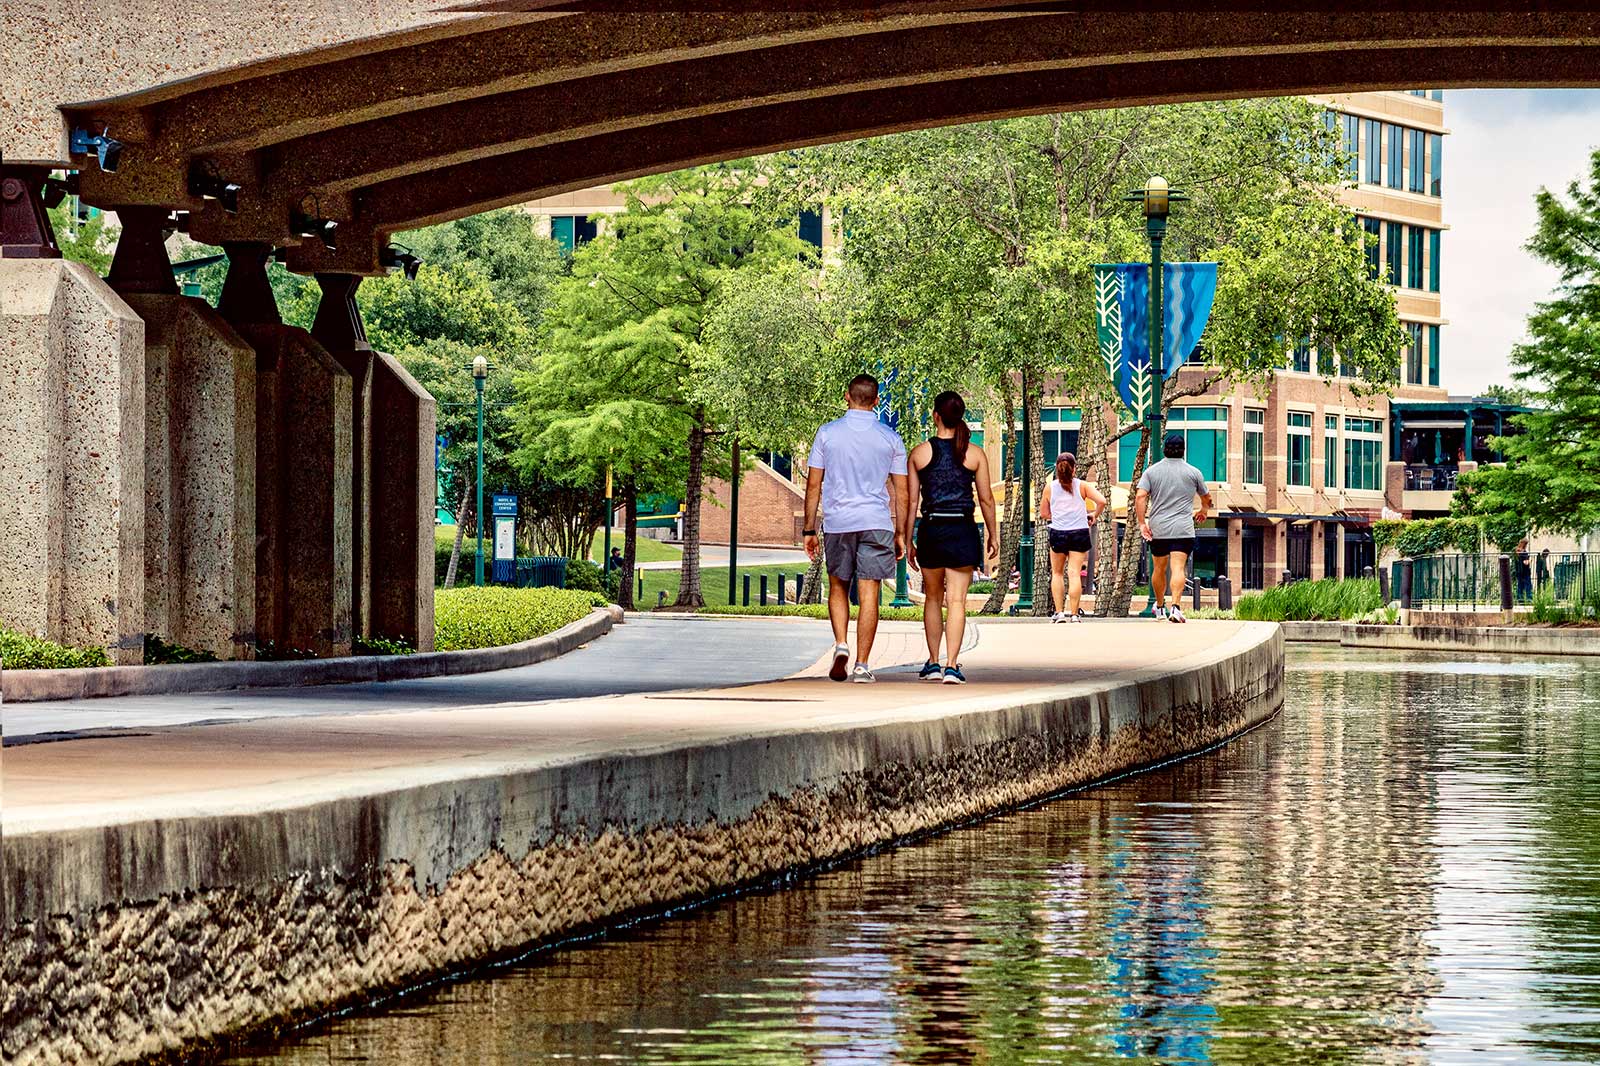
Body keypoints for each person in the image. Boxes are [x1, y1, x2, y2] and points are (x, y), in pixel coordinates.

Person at [803, 374, 909, 683]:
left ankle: (841, 645)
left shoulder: (827, 434)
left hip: (839, 522)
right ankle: (862, 665)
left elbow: (813, 485)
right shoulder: (890, 438)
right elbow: (901, 492)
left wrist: (809, 529)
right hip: (876, 522)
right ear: (877, 401)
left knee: (838, 586)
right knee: (870, 594)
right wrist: (900, 532)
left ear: (847, 396)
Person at [905, 391, 999, 684]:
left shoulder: (919, 454)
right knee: (956, 601)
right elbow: (986, 500)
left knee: (932, 598)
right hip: (963, 530)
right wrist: (993, 534)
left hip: (933, 530)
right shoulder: (974, 454)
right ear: (960, 418)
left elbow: (910, 502)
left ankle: (933, 662)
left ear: (935, 416)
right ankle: (953, 665)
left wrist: (908, 539)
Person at [1135, 432, 1213, 623]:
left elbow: (1140, 497)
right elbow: (1207, 498)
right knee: (1178, 568)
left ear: (1164, 449)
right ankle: (1176, 608)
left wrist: (1141, 523)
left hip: (1158, 528)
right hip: (1183, 528)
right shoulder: (1193, 472)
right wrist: (1203, 510)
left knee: (1159, 569)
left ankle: (1160, 607)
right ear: (1184, 450)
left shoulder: (1151, 472)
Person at [1040, 452, 1108, 623]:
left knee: (1057, 573)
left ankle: (1059, 613)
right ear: (1074, 469)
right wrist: (1094, 515)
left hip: (1058, 532)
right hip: (1079, 532)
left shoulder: (1050, 488)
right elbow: (1102, 501)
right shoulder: (1082, 486)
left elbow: (1044, 513)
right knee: (1074, 573)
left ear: (1057, 469)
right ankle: (1075, 614)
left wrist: (1056, 516)